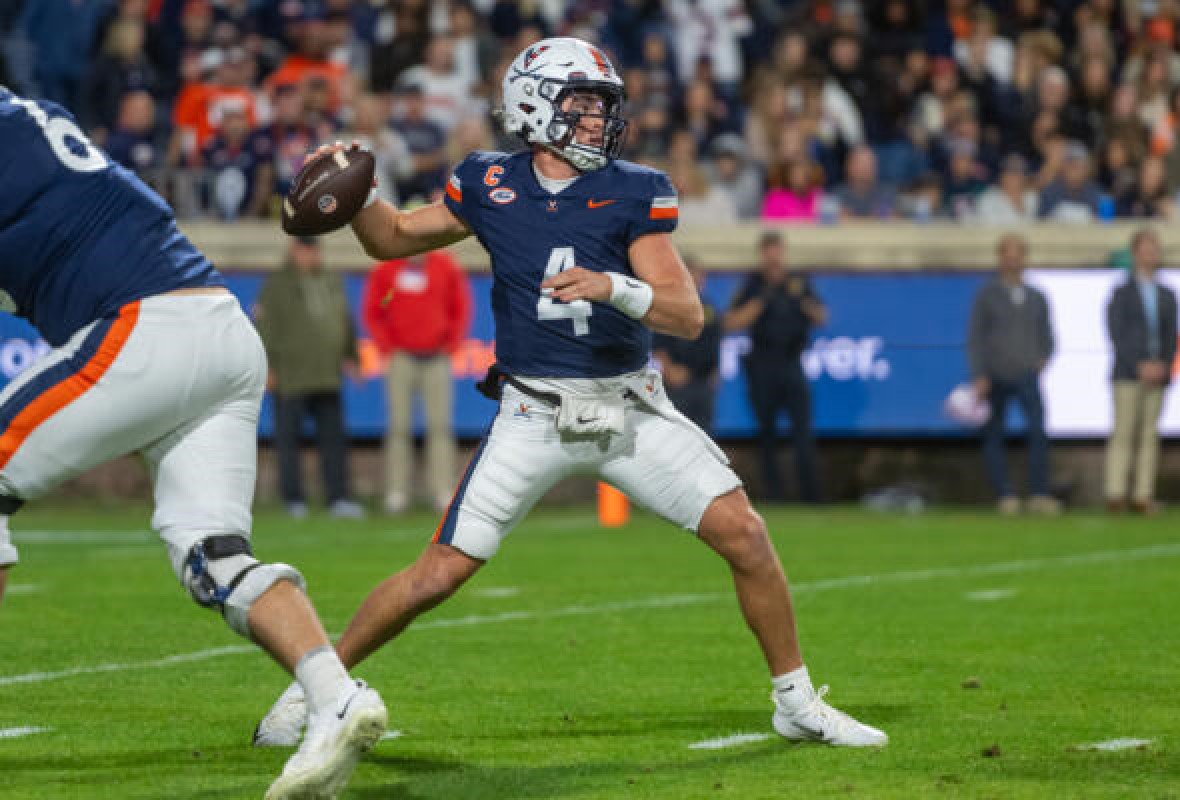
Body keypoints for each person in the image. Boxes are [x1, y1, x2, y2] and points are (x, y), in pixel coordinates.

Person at [253, 37, 885, 751]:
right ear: (533, 104)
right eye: (581, 104)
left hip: (629, 410)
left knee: (746, 534)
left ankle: (796, 701)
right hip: (532, 414)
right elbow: (393, 239)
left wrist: (612, 285)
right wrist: (359, 195)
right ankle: (318, 690)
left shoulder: (632, 188)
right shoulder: (489, 181)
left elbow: (685, 313)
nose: (596, 120)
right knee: (434, 577)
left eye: (600, 106)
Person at [0, 86, 384, 799]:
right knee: (214, 555)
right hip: (219, 328)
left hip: (145, 327)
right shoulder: (32, 120)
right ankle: (337, 697)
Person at [256, 237, 365, 521]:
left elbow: (345, 320)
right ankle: (293, 498)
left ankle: (338, 498)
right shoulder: (277, 284)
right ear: (294, 251)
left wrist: (352, 357)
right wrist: (268, 367)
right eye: (305, 250)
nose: (310, 255)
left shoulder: (330, 279)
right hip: (292, 374)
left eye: (314, 249)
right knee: (288, 440)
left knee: (334, 440)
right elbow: (265, 326)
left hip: (327, 373)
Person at [361, 250, 471, 514]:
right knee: (399, 428)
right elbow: (374, 310)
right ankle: (397, 491)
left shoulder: (445, 267)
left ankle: (443, 491)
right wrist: (387, 347)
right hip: (401, 357)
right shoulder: (387, 270)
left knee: (440, 427)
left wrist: (451, 343)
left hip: (436, 357)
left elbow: (460, 306)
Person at [724, 231, 827, 504]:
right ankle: (774, 495)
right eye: (768, 251)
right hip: (762, 365)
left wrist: (806, 306)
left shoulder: (798, 282)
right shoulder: (752, 284)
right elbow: (731, 321)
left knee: (803, 432)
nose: (773, 257)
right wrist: (753, 310)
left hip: (792, 362)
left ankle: (811, 496)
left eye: (777, 250)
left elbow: (822, 316)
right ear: (762, 254)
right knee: (766, 434)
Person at [967, 234, 1059, 515]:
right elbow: (976, 337)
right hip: (996, 373)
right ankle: (1004, 493)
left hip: (1027, 373)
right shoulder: (987, 294)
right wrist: (980, 373)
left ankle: (1039, 493)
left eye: (1018, 254)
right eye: (1007, 254)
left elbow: (1047, 334)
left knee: (1037, 432)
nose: (1013, 259)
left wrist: (1042, 357)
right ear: (1000, 258)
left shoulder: (1036, 296)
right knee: (994, 435)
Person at [1104, 228, 1178, 514]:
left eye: (1154, 248)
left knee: (1150, 434)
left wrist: (1163, 364)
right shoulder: (1121, 293)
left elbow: (1172, 336)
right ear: (1135, 253)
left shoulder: (1167, 295)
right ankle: (1116, 492)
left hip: (1158, 373)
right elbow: (1116, 334)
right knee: (1123, 432)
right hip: (1127, 373)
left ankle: (1143, 495)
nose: (1150, 253)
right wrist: (1138, 364)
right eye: (1145, 248)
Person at [653, 255, 722, 433]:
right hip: (679, 381)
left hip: (703, 382)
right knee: (679, 434)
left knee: (706, 434)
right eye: (691, 275)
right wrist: (669, 370)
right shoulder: (669, 308)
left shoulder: (710, 309)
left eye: (699, 276)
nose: (697, 280)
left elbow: (715, 342)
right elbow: (658, 345)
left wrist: (715, 371)